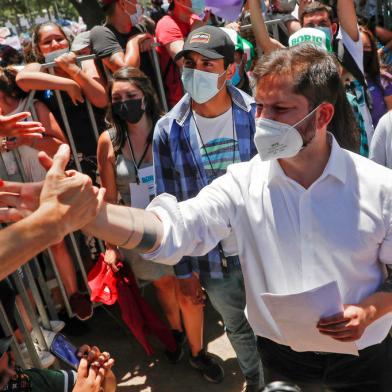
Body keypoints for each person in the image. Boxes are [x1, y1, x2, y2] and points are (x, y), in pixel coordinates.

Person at [5, 47, 392, 391]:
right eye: (258, 106)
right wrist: (91, 214)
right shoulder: (242, 182)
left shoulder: (380, 187)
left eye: (279, 109)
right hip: (281, 357)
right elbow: (174, 228)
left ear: (322, 114)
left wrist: (371, 310)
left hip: (366, 356)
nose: (262, 120)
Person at [153, 25, 262, 390]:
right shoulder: (168, 130)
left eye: (207, 64)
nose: (195, 71)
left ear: (230, 70)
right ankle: (257, 382)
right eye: (190, 62)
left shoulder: (257, 114)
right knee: (238, 329)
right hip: (215, 261)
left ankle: (285, 378)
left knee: (277, 322)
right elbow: (171, 203)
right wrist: (184, 272)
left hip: (261, 248)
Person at [97, 66, 194, 361]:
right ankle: (176, 334)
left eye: (131, 95)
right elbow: (109, 198)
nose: (124, 102)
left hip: (177, 220)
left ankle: (196, 343)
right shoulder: (108, 141)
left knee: (186, 283)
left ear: (145, 96)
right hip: (138, 229)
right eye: (117, 98)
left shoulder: (170, 128)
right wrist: (110, 247)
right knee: (163, 285)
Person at [0, 67, 93, 322]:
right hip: (9, 195)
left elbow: (62, 146)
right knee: (23, 256)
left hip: (41, 186)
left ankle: (74, 298)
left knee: (55, 241)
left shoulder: (33, 106)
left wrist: (25, 140)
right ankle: (39, 317)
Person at [249, 0, 374, 144]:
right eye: (310, 25)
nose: (317, 28)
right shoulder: (292, 63)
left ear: (333, 28)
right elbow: (264, 41)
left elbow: (345, 6)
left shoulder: (349, 52)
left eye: (322, 24)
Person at [16, 21, 107, 182]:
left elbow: (101, 100)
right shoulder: (39, 67)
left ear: (68, 41)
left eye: (59, 39)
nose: (55, 45)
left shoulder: (83, 62)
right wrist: (68, 85)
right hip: (69, 159)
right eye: (47, 42)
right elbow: (22, 79)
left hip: (101, 148)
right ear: (38, 49)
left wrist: (72, 70)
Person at [0, 337, 116, 392]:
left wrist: (99, 371)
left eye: (11, 363)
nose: (13, 373)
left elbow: (108, 388)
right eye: (1, 379)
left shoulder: (30, 379)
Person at [155, 0, 205, 108]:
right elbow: (185, 61)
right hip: (181, 102)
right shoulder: (166, 24)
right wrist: (197, 29)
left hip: (202, 94)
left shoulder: (195, 20)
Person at [90, 0, 155, 81]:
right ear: (123, 4)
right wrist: (134, 41)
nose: (140, 6)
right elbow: (126, 71)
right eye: (136, 2)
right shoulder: (100, 33)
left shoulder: (140, 29)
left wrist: (152, 41)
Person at [360, 24, 392, 128]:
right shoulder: (338, 81)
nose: (362, 51)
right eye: (359, 47)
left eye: (367, 47)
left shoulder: (384, 80)